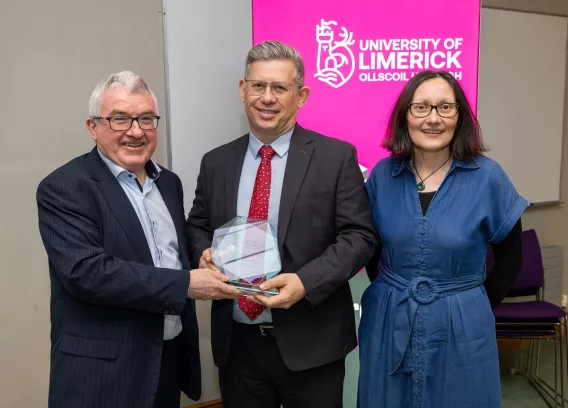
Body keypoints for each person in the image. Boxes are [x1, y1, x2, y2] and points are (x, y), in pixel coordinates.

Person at [186, 40, 378, 408]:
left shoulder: (336, 157)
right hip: (238, 346)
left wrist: (306, 283)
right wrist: (204, 253)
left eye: (280, 87)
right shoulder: (216, 162)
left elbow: (359, 237)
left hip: (313, 342)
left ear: (301, 96)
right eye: (258, 86)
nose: (267, 98)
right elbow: (196, 225)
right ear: (243, 90)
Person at [36, 71, 241, 408]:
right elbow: (88, 273)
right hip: (102, 374)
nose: (135, 131)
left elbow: (166, 253)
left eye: (146, 118)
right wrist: (186, 284)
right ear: (93, 127)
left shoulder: (168, 182)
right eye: (120, 119)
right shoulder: (65, 187)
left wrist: (201, 257)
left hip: (166, 362)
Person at [357, 70, 526, 408]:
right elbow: (370, 251)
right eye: (421, 107)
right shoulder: (382, 176)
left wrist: (471, 304)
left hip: (464, 326)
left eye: (445, 108)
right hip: (390, 321)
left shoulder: (488, 177)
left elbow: (511, 259)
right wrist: (396, 290)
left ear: (459, 116)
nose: (433, 119)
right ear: (405, 115)